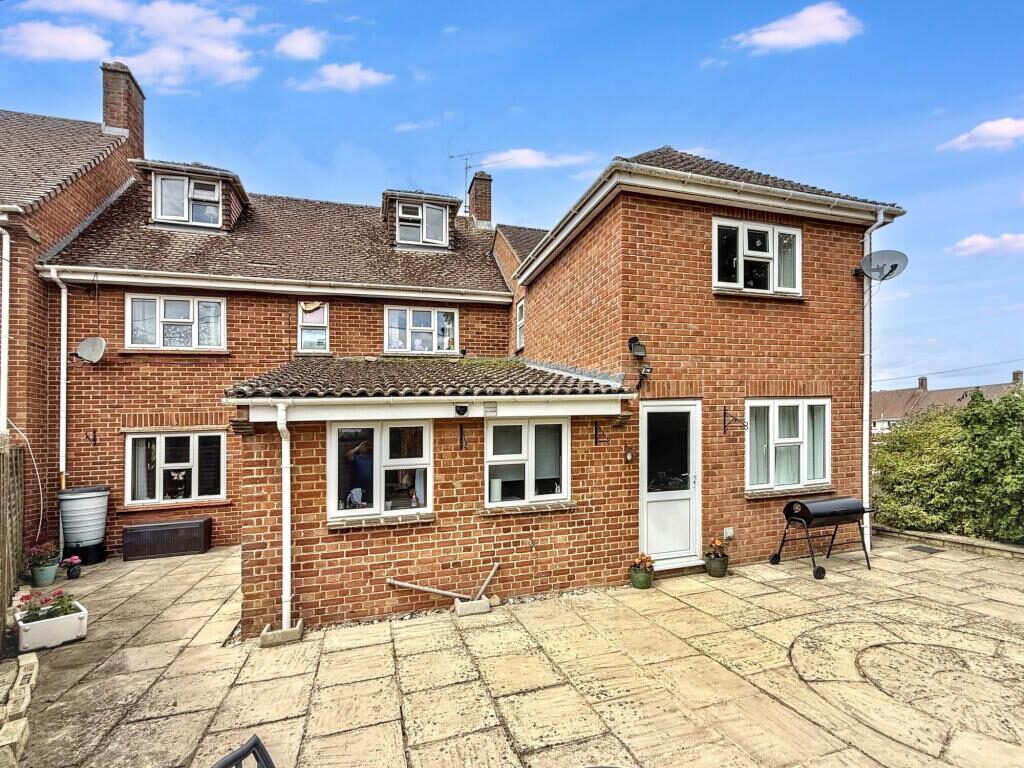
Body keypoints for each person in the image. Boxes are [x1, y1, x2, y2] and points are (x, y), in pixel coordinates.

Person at [344, 439, 373, 507]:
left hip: (369, 486)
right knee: (358, 504)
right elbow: (347, 456)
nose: (364, 447)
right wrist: (357, 447)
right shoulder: (355, 458)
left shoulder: (371, 458)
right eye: (363, 446)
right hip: (357, 486)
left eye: (365, 446)